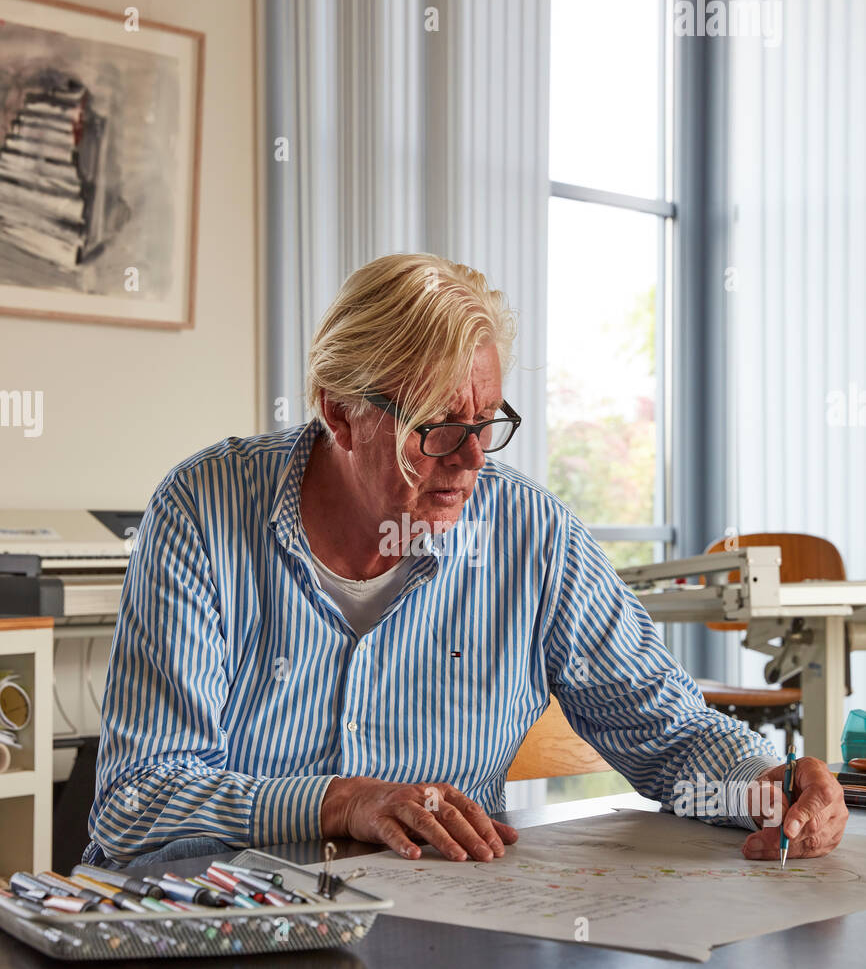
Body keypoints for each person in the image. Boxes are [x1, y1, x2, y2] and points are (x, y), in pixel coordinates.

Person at [82, 253, 847, 871]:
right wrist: (342, 801)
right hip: (209, 939)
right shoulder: (201, 509)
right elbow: (139, 799)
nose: (472, 459)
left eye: (487, 422)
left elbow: (669, 736)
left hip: (434, 942)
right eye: (437, 427)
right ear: (339, 412)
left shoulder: (530, 533)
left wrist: (766, 785)